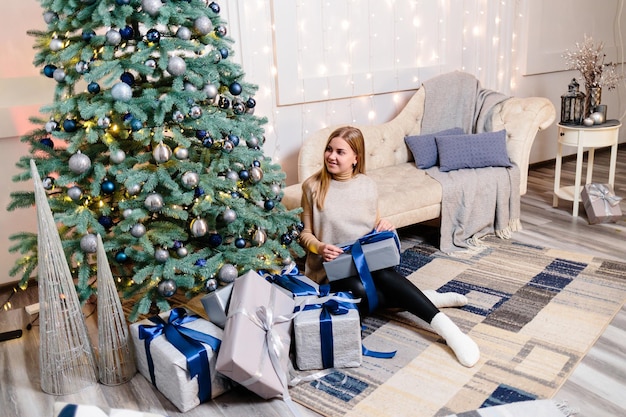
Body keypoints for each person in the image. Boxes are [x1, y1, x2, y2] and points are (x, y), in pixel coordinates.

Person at [298, 126, 480, 367]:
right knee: (361, 294)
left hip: (368, 262)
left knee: (384, 275)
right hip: (332, 268)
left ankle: (450, 331)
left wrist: (386, 226)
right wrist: (319, 247)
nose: (331, 156)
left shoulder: (367, 185)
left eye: (340, 152)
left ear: (356, 158)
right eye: (329, 150)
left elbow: (372, 227)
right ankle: (421, 298)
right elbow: (305, 234)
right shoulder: (312, 187)